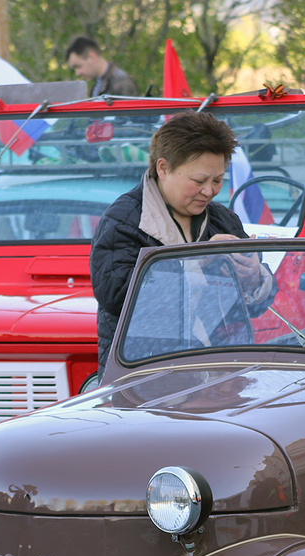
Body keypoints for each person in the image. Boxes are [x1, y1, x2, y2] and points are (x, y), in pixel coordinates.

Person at [90, 111, 275, 374]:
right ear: (163, 168)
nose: (209, 191)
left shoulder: (223, 220)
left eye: (218, 180)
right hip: (143, 376)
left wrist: (254, 277)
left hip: (224, 374)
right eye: (199, 181)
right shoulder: (123, 222)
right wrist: (198, 261)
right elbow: (119, 298)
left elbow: (257, 306)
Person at [64, 36, 139, 97]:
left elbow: (128, 114)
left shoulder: (121, 82)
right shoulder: (98, 84)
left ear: (92, 57)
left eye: (78, 66)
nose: (77, 73)